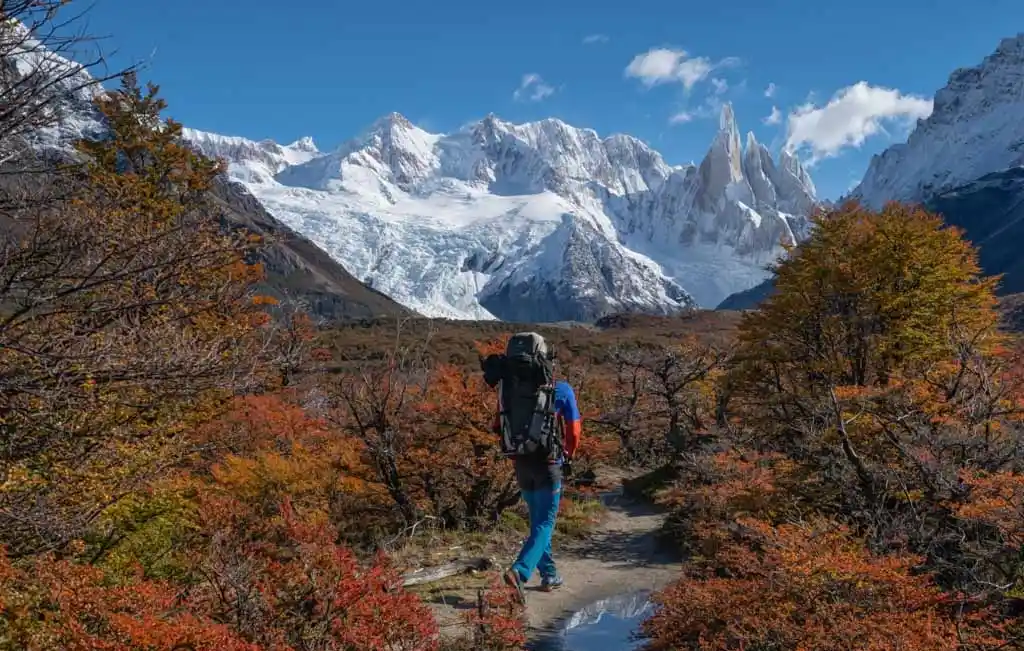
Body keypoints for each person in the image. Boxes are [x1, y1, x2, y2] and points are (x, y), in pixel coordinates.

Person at [482, 332, 582, 605]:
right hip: (549, 464)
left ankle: (549, 574)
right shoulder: (561, 390)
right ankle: (520, 572)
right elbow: (573, 430)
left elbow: (496, 426)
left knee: (537, 522)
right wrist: (568, 455)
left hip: (522, 463)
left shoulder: (507, 391)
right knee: (546, 523)